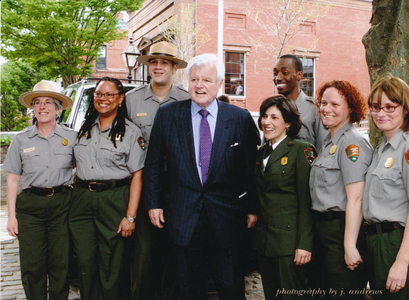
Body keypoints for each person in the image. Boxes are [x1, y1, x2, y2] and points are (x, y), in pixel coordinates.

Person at [144, 53, 260, 299]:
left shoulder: (239, 118)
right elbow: (153, 164)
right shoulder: (168, 115)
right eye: (194, 79)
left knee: (231, 288)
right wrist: (154, 203)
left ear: (219, 84)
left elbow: (250, 169)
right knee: (189, 290)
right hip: (183, 216)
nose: (199, 85)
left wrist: (252, 208)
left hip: (227, 219)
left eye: (207, 80)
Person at [69, 77, 146, 300]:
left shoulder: (131, 132)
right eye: (98, 94)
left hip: (114, 200)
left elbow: (138, 176)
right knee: (85, 262)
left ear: (121, 99)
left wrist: (130, 217)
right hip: (82, 201)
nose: (103, 99)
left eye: (109, 94)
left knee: (112, 264)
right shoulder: (84, 129)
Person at [126, 41, 189, 300]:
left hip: (178, 186)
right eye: (153, 61)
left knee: (175, 251)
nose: (158, 66)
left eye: (165, 62)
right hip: (143, 184)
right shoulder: (131, 100)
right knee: (143, 253)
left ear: (174, 67)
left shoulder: (187, 99)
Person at [4, 80, 76, 300]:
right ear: (33, 108)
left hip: (62, 206)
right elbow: (13, 179)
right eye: (37, 103)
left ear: (57, 108)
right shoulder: (21, 139)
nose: (42, 107)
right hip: (31, 208)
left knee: (60, 264)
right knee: (32, 265)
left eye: (48, 102)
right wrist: (11, 216)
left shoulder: (71, 138)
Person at [310, 80, 373, 298]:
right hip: (323, 231)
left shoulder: (352, 144)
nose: (326, 109)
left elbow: (356, 200)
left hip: (342, 231)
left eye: (335, 104)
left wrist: (349, 246)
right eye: (323, 103)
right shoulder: (330, 142)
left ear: (351, 109)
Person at [254, 95, 315, 299]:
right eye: (264, 116)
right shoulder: (262, 153)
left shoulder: (301, 150)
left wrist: (304, 244)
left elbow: (306, 201)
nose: (267, 122)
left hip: (290, 245)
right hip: (265, 242)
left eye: (274, 117)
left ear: (288, 122)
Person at [363, 75, 409, 299]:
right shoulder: (381, 148)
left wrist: (402, 261)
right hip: (375, 241)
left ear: (405, 109)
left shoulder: (406, 148)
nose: (381, 113)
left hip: (396, 242)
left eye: (390, 107)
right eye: (376, 107)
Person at [273, 54, 328, 150]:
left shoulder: (315, 110)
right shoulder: (272, 108)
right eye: (275, 73)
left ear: (299, 75)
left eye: (285, 73)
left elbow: (323, 151)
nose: (278, 78)